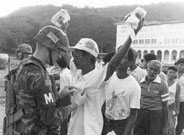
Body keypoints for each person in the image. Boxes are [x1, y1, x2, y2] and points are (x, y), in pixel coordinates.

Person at [60, 18, 144, 135]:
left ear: (89, 57)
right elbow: (65, 53)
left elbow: (113, 63)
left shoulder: (99, 77)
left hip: (91, 130)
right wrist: (62, 29)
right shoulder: (76, 71)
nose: (75, 59)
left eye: (78, 56)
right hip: (73, 128)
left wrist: (132, 34)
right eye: (75, 55)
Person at [12, 25, 86, 135]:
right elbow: (51, 118)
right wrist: (75, 104)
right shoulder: (40, 75)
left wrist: (59, 95)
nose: (60, 56)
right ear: (49, 46)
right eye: (59, 51)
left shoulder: (24, 66)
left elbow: (33, 102)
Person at [102, 48, 141, 135]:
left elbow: (133, 114)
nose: (120, 60)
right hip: (106, 123)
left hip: (121, 126)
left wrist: (126, 133)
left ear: (130, 62)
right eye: (118, 56)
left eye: (124, 57)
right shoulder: (108, 78)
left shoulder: (134, 86)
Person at [134, 60, 169, 135]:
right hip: (141, 114)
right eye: (151, 69)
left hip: (155, 116)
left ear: (159, 72)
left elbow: (165, 107)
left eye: (155, 70)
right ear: (147, 69)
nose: (152, 72)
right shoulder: (140, 82)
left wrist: (165, 126)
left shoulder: (162, 85)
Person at [167, 66, 181, 135]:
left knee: (171, 126)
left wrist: (177, 109)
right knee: (162, 125)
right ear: (167, 73)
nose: (171, 74)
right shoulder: (163, 83)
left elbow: (177, 98)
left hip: (171, 107)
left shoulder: (177, 85)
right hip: (161, 106)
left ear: (175, 74)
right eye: (170, 72)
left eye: (173, 73)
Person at [175, 58, 184, 135]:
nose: (183, 67)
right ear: (177, 65)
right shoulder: (172, 74)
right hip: (172, 101)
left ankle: (178, 132)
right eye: (181, 65)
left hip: (182, 101)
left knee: (181, 119)